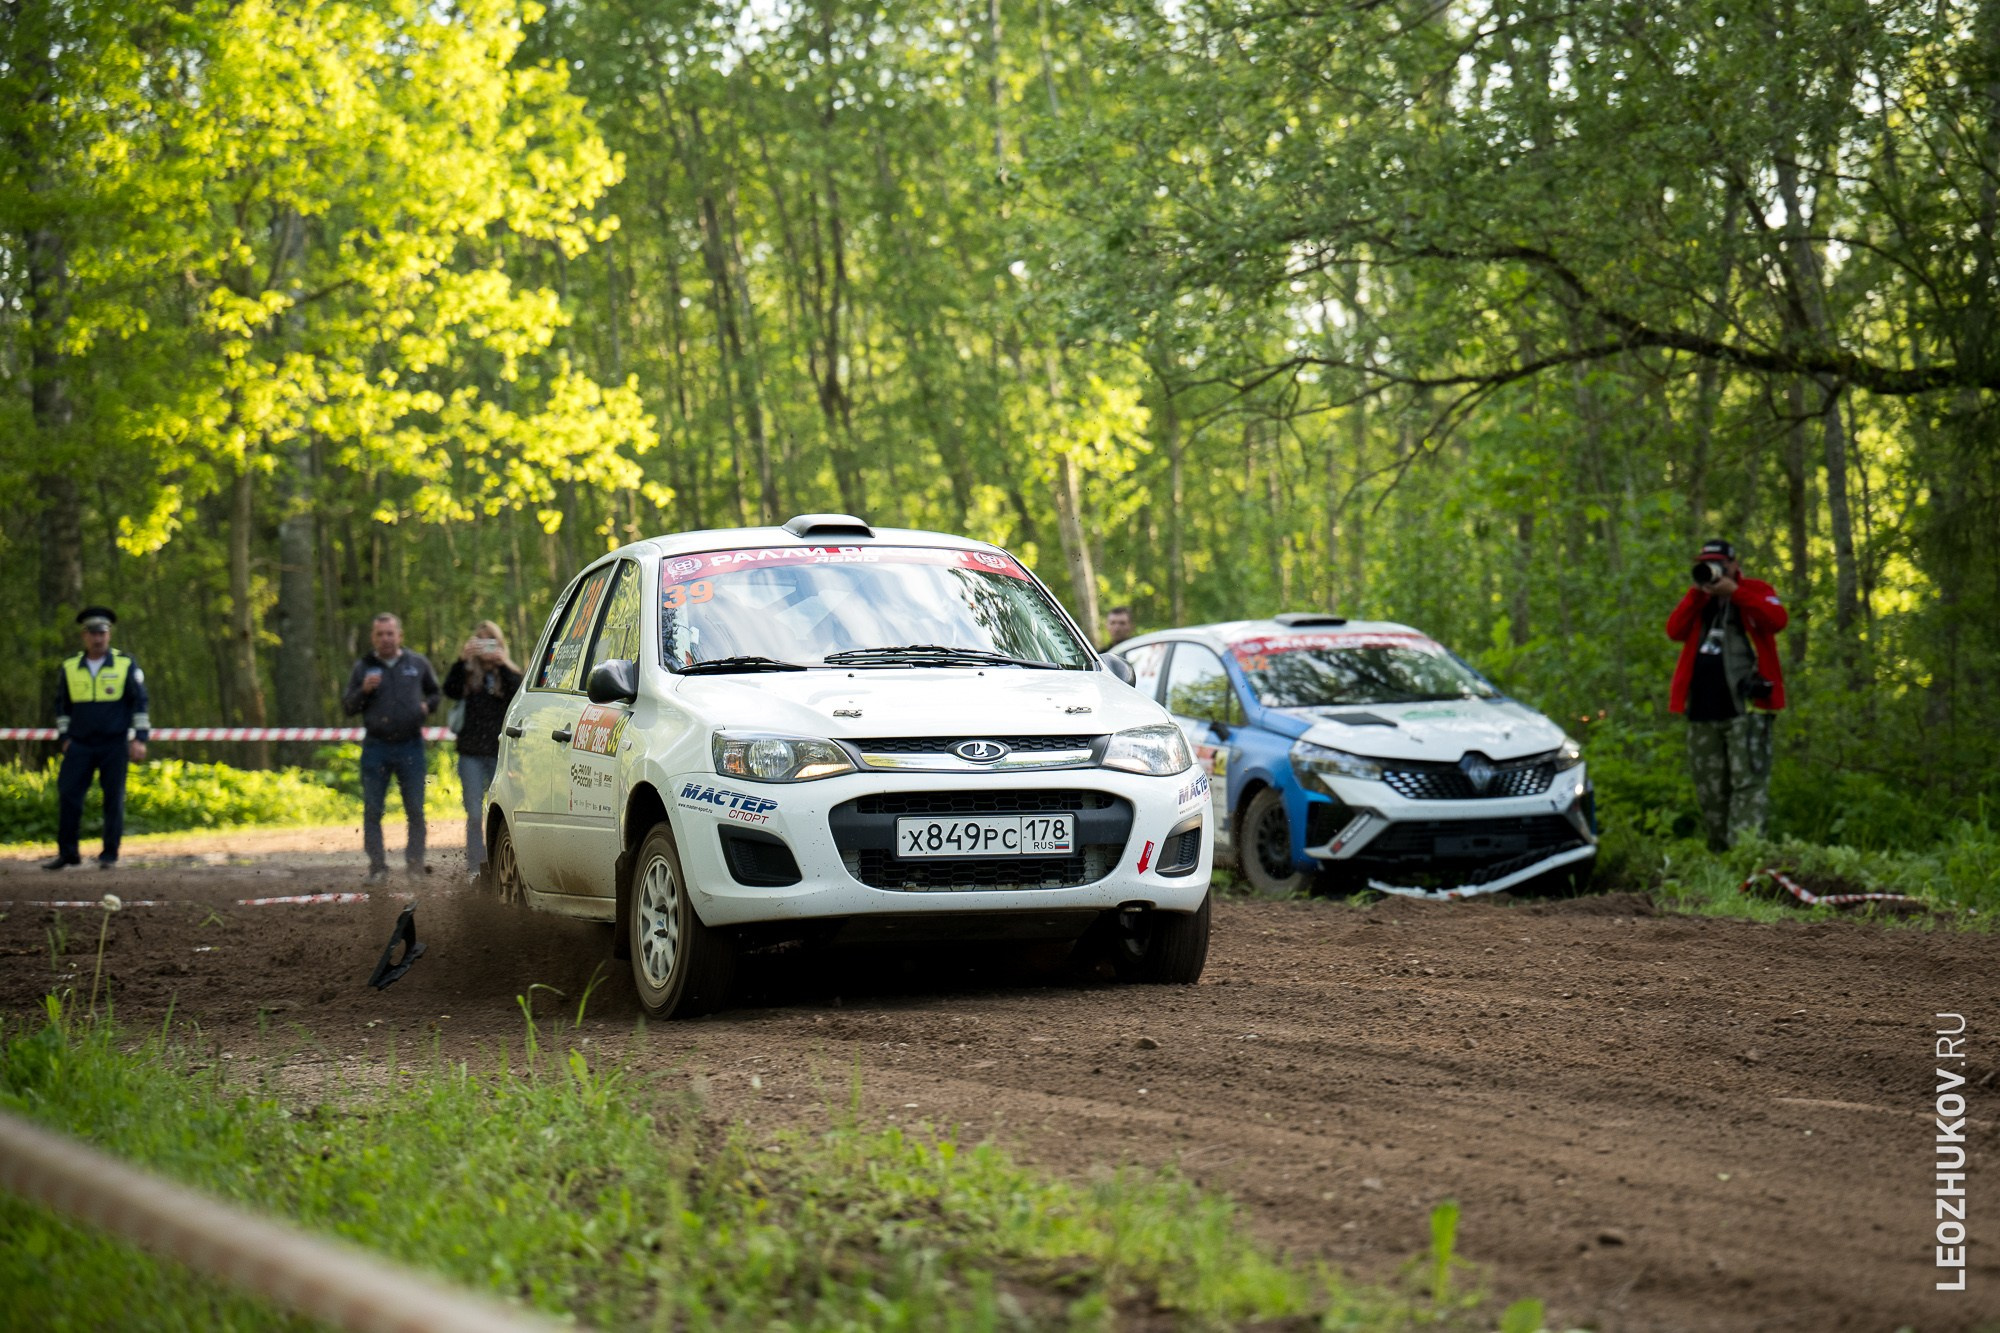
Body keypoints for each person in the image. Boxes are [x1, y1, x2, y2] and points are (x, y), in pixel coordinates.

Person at [1666, 539, 1789, 851]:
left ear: (1734, 565)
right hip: (1702, 711)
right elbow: (1674, 630)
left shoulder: (1756, 590)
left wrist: (1735, 593)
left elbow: (1777, 620)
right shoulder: (1699, 599)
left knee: (1747, 784)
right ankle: (1721, 860)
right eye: (1708, 563)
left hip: (1744, 709)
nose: (1714, 569)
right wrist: (1699, 593)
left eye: (1720, 563)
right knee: (1710, 790)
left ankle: (1745, 857)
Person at [43, 607, 150, 870]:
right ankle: (68, 853)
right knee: (68, 795)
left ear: (109, 634)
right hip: (79, 744)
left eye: (102, 632)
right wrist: (65, 737)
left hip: (114, 744)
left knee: (113, 798)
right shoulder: (70, 667)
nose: (97, 638)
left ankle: (109, 855)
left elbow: (139, 703)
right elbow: (61, 706)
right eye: (92, 633)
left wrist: (140, 738)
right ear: (84, 636)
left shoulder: (125, 663)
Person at [341, 613, 440, 880]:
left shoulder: (417, 663)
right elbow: (348, 706)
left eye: (390, 633)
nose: (385, 638)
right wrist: (363, 690)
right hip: (376, 746)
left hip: (411, 745)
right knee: (373, 809)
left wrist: (426, 706)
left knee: (416, 809)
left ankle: (415, 864)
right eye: (380, 634)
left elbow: (436, 693)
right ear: (373, 638)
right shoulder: (363, 667)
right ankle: (377, 867)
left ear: (400, 635)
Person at [442, 620, 522, 881]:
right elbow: (449, 690)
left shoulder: (507, 674)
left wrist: (503, 665)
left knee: (505, 812)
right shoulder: (466, 674)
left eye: (492, 642)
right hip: (471, 754)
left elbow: (520, 695)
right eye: (481, 642)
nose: (486, 648)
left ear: (500, 645)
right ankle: (476, 868)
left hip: (501, 752)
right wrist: (461, 661)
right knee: (475, 813)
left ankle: (505, 865)